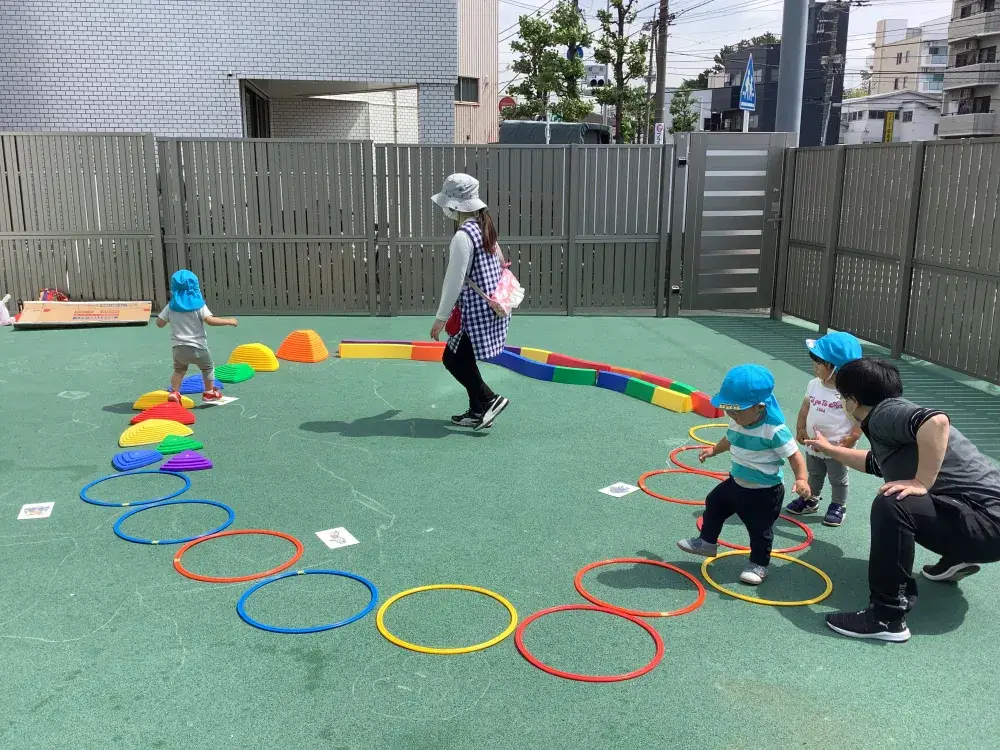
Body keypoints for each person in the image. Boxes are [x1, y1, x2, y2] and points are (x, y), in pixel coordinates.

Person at [806, 357, 1000, 643]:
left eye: (841, 397)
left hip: (985, 525)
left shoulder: (885, 414)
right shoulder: (891, 417)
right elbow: (877, 463)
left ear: (853, 401)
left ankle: (886, 617)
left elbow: (936, 421)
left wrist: (922, 482)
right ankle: (956, 559)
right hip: (984, 524)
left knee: (894, 501)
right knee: (911, 490)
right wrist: (830, 450)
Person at [677, 364, 811, 585]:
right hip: (736, 482)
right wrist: (713, 450)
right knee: (714, 502)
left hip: (764, 492)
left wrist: (801, 479)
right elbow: (730, 439)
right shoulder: (738, 419)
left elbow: (795, 456)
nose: (731, 415)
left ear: (759, 407)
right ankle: (707, 542)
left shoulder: (774, 430)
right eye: (728, 410)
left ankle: (759, 564)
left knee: (759, 530)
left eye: (736, 411)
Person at [429, 173, 509, 431]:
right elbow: (500, 263)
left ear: (454, 204)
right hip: (490, 308)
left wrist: (441, 318)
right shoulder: (484, 227)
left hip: (473, 313)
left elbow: (454, 280)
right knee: (461, 357)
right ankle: (477, 409)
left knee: (452, 359)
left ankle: (489, 399)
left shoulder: (463, 237)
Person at [786, 332, 863, 527]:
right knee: (815, 473)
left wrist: (851, 439)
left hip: (837, 447)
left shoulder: (848, 394)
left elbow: (859, 421)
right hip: (813, 443)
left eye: (819, 364)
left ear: (836, 368)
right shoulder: (813, 385)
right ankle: (811, 499)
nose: (815, 367)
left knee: (838, 478)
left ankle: (838, 505)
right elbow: (805, 408)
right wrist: (801, 427)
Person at [156, 269, 238, 403]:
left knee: (179, 370)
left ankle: (174, 392)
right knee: (207, 368)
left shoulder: (170, 307)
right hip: (198, 347)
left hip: (178, 348)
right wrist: (229, 321)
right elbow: (210, 321)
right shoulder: (199, 306)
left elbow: (159, 323)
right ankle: (210, 392)